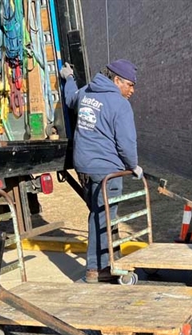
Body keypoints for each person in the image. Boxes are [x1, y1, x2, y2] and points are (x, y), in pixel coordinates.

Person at [60, 59, 143, 283]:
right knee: (104, 219)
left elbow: (70, 99)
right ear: (117, 80)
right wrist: (133, 165)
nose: (132, 90)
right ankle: (98, 269)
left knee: (98, 215)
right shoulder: (119, 104)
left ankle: (102, 264)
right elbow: (126, 143)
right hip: (108, 170)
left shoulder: (86, 92)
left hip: (85, 168)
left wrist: (68, 78)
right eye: (130, 84)